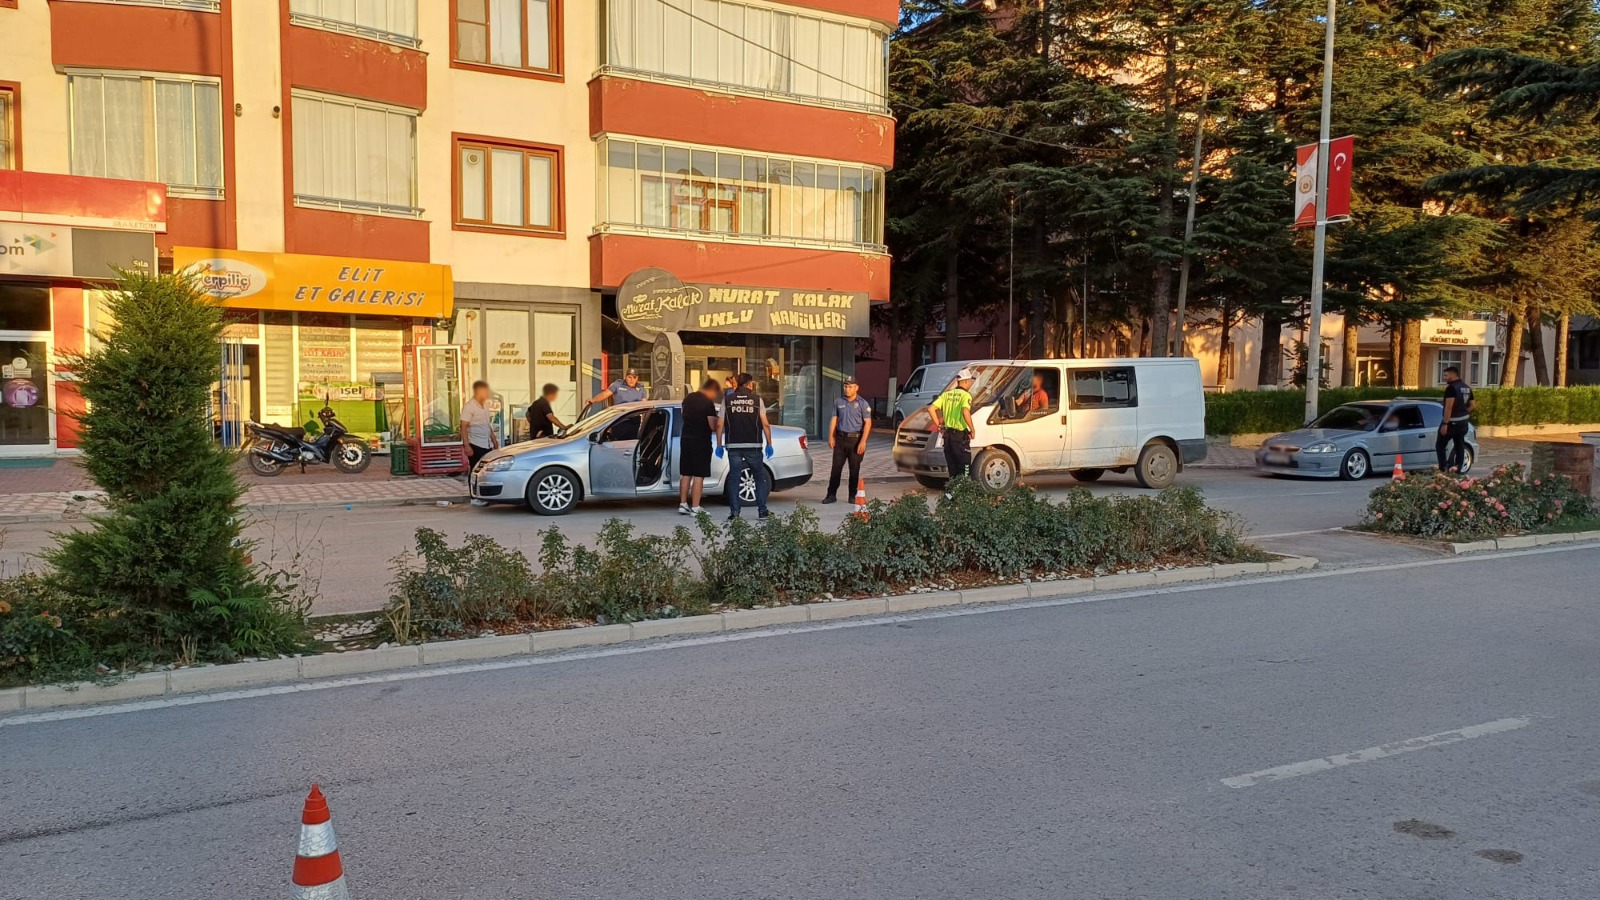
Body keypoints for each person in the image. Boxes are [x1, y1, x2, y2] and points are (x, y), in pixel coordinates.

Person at [720, 372, 773, 521]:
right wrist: (769, 443)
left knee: (734, 478)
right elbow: (765, 424)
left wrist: (718, 444)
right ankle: (762, 511)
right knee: (759, 477)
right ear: (750, 384)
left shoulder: (727, 400)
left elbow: (719, 424)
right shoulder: (757, 400)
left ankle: (735, 513)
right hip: (753, 445)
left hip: (733, 445)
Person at [822, 376, 874, 504]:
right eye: (845, 386)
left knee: (854, 469)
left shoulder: (862, 403)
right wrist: (831, 436)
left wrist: (863, 441)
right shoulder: (838, 401)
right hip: (840, 439)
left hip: (855, 440)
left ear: (856, 388)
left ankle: (852, 496)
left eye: (850, 386)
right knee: (836, 469)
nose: (847, 389)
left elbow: (868, 423)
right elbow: (834, 419)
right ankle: (831, 495)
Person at [929, 368, 976, 493]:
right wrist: (972, 429)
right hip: (959, 437)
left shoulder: (946, 395)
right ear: (966, 381)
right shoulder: (966, 395)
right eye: (970, 381)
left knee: (953, 469)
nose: (970, 383)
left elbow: (931, 409)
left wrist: (939, 426)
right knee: (965, 468)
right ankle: (961, 495)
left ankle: (950, 496)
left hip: (947, 437)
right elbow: (965, 412)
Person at [678, 379, 721, 515]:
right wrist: (720, 425)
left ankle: (683, 504)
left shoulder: (688, 398)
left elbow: (682, 414)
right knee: (699, 475)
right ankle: (695, 507)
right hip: (700, 441)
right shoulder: (707, 402)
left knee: (686, 473)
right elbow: (712, 425)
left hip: (686, 439)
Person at [460, 381, 499, 505]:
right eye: (485, 391)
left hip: (486, 444)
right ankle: (474, 497)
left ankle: (484, 495)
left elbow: (487, 425)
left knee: (485, 471)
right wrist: (466, 446)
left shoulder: (485, 405)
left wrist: (494, 440)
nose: (487, 394)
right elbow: (463, 426)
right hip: (475, 443)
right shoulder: (470, 406)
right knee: (475, 471)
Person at [1437, 365, 1475, 472]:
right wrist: (1464, 411)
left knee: (1440, 445)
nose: (1444, 378)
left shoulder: (1451, 388)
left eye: (1446, 375)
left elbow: (1448, 407)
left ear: (1452, 375)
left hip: (1452, 423)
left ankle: (1443, 468)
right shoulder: (1467, 387)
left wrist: (1445, 423)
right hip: (1463, 423)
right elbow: (1472, 405)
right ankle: (1458, 468)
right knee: (1459, 444)